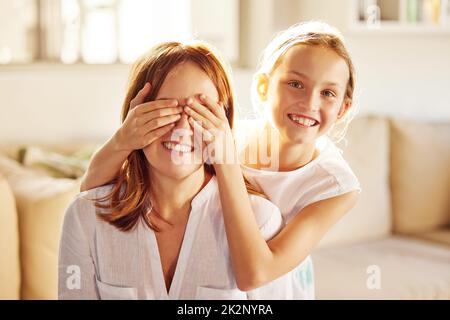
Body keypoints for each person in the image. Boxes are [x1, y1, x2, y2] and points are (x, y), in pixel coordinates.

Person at [79, 21, 361, 299]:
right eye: (296, 83)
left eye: (328, 93)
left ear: (342, 109)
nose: (310, 102)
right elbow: (91, 197)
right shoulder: (225, 134)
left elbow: (255, 274)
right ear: (263, 86)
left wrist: (225, 159)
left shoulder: (337, 186)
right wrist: (122, 140)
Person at [58, 41, 293, 300]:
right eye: (166, 109)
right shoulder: (85, 216)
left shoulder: (263, 221)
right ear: (134, 117)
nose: (182, 126)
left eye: (199, 111)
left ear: (223, 123)